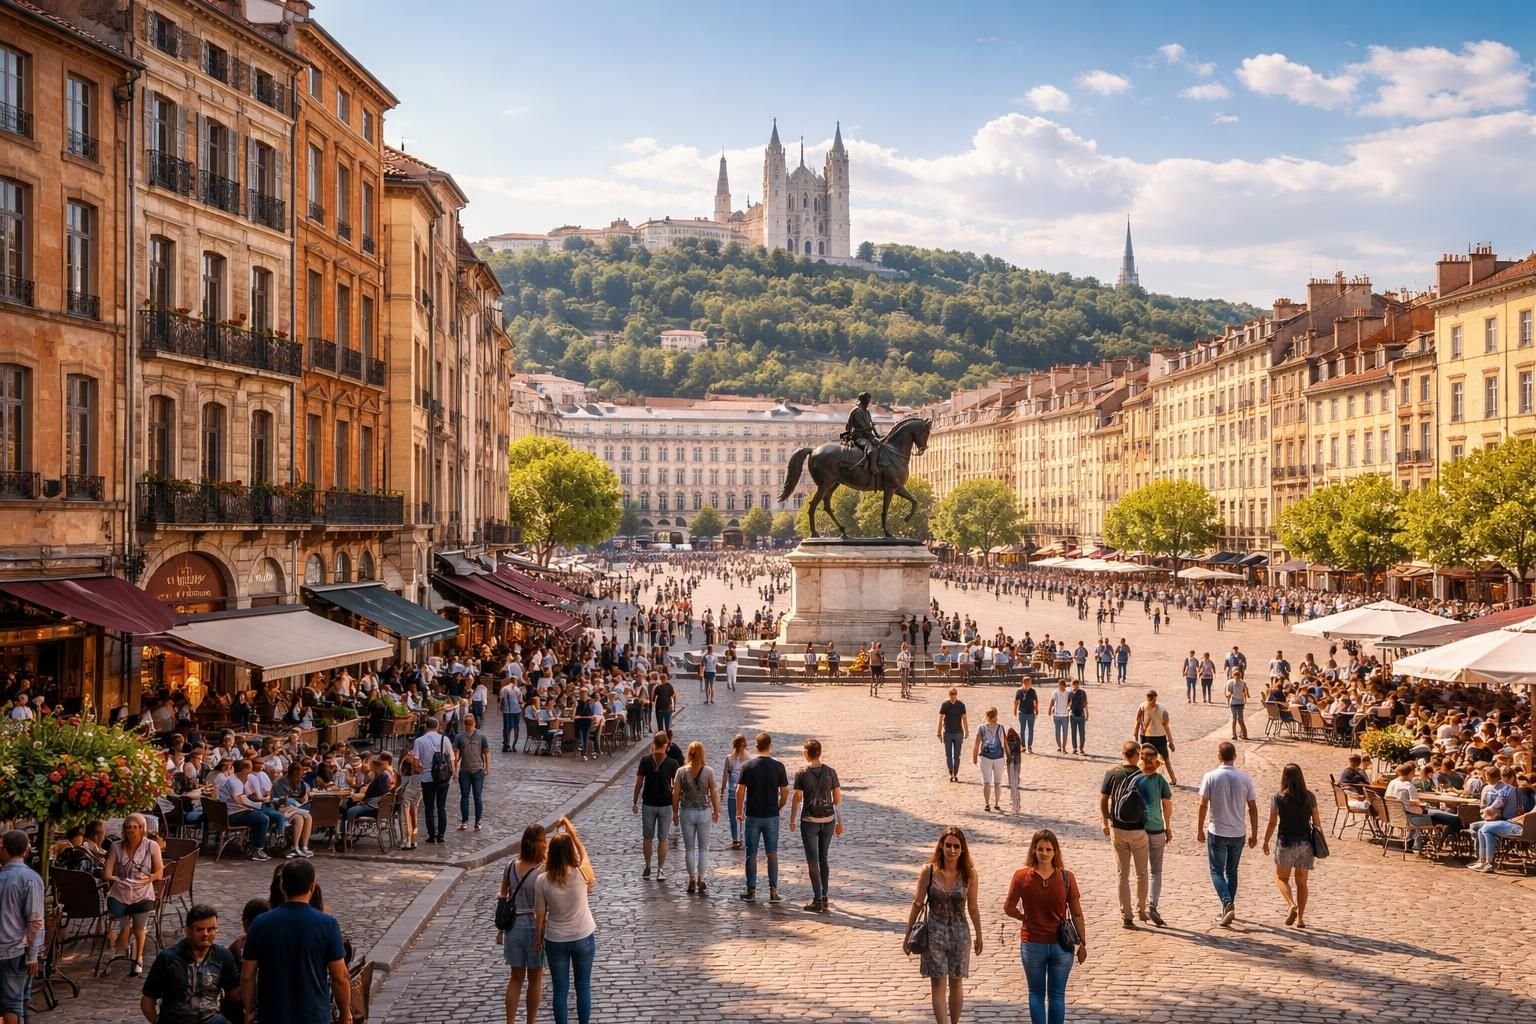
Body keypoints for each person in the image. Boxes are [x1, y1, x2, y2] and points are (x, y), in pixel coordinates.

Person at [240, 860, 350, 1024]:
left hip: (273, 1014)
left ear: (282, 886)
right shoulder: (327, 924)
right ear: (312, 886)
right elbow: (340, 976)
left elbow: (248, 975)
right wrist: (345, 1012)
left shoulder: (261, 923)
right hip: (314, 1014)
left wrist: (248, 1010)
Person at [1003, 829, 1087, 1024]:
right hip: (1060, 946)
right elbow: (1076, 914)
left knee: (1037, 994)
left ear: (1055, 851)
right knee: (1056, 996)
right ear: (1034, 850)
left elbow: (1009, 908)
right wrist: (1082, 943)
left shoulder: (1021, 876)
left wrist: (1023, 917)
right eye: (1040, 849)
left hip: (1034, 944)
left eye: (1048, 849)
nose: (1044, 853)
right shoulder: (1066, 877)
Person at [902, 827, 982, 1024]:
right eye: (948, 845)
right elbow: (917, 903)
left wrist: (979, 934)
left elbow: (972, 907)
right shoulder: (928, 872)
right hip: (934, 932)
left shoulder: (969, 875)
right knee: (937, 982)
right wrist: (907, 934)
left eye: (956, 846)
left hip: (959, 933)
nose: (952, 850)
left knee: (956, 981)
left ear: (963, 849)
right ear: (941, 846)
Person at [534, 824, 597, 1024]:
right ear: (571, 851)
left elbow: (540, 915)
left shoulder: (543, 880)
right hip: (583, 936)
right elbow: (584, 853)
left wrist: (538, 939)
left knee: (560, 990)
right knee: (583, 986)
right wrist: (573, 834)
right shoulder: (582, 873)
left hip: (556, 939)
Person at [140, 903, 239, 1024]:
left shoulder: (223, 956)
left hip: (211, 1019)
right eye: (200, 929)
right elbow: (148, 1000)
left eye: (211, 929)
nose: (206, 934)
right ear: (188, 931)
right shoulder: (167, 959)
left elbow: (234, 994)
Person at [1196, 741, 1259, 926]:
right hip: (1238, 832)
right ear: (1235, 757)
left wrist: (1199, 828)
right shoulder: (1245, 778)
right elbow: (1253, 807)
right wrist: (1254, 833)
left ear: (1219, 756)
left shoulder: (1210, 776)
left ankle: (1227, 902)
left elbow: (1202, 804)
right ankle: (1228, 908)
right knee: (1232, 871)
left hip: (1217, 830)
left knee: (1216, 870)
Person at [1260, 763, 1324, 927]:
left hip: (1285, 842)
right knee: (1302, 883)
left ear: (1284, 777)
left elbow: (1273, 821)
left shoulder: (1278, 797)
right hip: (1305, 843)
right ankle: (1301, 919)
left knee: (1281, 878)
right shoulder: (1310, 797)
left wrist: (1266, 840)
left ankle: (1291, 904)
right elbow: (1317, 822)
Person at [498, 824, 548, 1024]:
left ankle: (510, 1021)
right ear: (541, 844)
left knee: (516, 979)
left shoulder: (510, 866)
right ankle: (531, 1022)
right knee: (535, 980)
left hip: (513, 928)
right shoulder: (542, 870)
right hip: (536, 929)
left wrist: (501, 928)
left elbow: (503, 897)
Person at [105, 812, 165, 976]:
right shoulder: (116, 846)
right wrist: (118, 879)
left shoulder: (151, 846)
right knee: (119, 912)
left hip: (143, 892)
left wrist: (148, 879)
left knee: (140, 927)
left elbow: (159, 872)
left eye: (135, 827)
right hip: (121, 892)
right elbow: (107, 873)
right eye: (128, 827)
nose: (131, 830)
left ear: (141, 828)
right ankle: (123, 935)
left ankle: (138, 958)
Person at [1099, 741, 1149, 930]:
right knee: (1142, 873)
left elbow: (1103, 798)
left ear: (1122, 754)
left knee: (1122, 874)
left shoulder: (1112, 773)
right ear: (1137, 754)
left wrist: (1105, 821)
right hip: (1139, 830)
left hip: (1118, 829)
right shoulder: (1144, 776)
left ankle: (1126, 915)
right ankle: (1141, 909)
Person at [789, 738, 843, 912]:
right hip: (828, 820)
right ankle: (824, 895)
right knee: (824, 858)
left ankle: (817, 898)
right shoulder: (831, 772)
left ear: (806, 753)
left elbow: (797, 798)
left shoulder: (801, 773)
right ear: (820, 752)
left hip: (810, 821)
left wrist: (792, 819)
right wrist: (840, 821)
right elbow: (837, 799)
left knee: (812, 860)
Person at [736, 731, 789, 904]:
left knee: (751, 853)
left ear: (756, 746)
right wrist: (779, 805)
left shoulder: (748, 766)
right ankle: (773, 890)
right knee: (772, 853)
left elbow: (740, 790)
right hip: (771, 815)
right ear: (770, 746)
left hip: (753, 814)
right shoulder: (779, 766)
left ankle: (751, 889)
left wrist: (738, 811)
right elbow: (785, 791)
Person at [0, 830, 43, 1024]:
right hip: (15, 950)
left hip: (9, 948)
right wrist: (33, 955)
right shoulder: (30, 878)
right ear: (26, 851)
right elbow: (35, 921)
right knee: (13, 1004)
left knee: (13, 1003)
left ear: (4, 850)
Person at [672, 741, 720, 895]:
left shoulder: (681, 772)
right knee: (704, 848)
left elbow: (676, 793)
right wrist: (716, 810)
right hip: (704, 811)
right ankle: (701, 878)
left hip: (687, 811)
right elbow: (713, 792)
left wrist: (674, 811)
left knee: (689, 848)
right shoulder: (708, 771)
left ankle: (691, 879)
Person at [1135, 744, 1174, 927]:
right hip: (1157, 828)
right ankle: (1153, 903)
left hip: (1138, 829)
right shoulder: (1160, 781)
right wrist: (1168, 826)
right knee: (1156, 871)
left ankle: (1140, 906)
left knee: (1140, 871)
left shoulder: (1135, 778)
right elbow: (1167, 805)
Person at [632, 732, 680, 880]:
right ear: (666, 745)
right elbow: (676, 788)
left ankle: (647, 866)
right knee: (663, 838)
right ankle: (660, 869)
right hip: (665, 804)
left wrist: (635, 801)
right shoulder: (673, 763)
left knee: (647, 837)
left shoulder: (645, 761)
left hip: (648, 803)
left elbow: (639, 783)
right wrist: (675, 810)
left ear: (654, 743)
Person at [411, 717, 455, 844]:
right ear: (437, 727)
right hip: (442, 777)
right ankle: (441, 834)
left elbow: (415, 761)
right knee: (441, 806)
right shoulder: (444, 739)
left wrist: (421, 770)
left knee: (429, 807)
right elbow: (451, 757)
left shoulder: (419, 741)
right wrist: (453, 772)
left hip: (427, 777)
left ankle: (431, 834)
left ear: (426, 727)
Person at [455, 714, 491, 831]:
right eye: (467, 726)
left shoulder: (481, 736)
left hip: (478, 770)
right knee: (465, 795)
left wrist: (487, 767)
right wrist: (455, 769)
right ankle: (465, 821)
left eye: (470, 726)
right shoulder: (460, 736)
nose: (469, 728)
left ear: (474, 724)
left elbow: (486, 752)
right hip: (465, 770)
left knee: (477, 796)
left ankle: (477, 821)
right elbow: (456, 754)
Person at [1133, 691, 1178, 786]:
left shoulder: (1161, 708)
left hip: (1157, 737)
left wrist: (1170, 741)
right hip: (1148, 737)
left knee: (1165, 759)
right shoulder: (1143, 706)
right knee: (1145, 759)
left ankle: (1173, 778)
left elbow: (1166, 725)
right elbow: (1138, 721)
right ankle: (1144, 777)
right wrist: (1135, 735)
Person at [972, 708, 1008, 813]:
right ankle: (996, 803)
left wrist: (974, 756)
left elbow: (977, 743)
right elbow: (1005, 743)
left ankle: (987, 803)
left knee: (987, 782)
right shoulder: (1000, 728)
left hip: (985, 757)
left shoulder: (982, 728)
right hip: (998, 757)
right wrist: (1009, 756)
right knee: (997, 783)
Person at [842, 390, 884, 472]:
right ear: (863, 401)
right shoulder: (856, 411)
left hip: (867, 436)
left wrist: (878, 435)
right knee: (872, 450)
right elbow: (863, 427)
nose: (869, 402)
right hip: (858, 437)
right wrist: (870, 429)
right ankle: (872, 467)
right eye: (867, 400)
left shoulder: (867, 412)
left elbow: (870, 426)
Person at [721, 734, 750, 850]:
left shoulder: (729, 758)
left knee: (733, 817)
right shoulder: (748, 759)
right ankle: (743, 837)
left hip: (733, 791)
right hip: (746, 792)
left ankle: (735, 838)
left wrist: (722, 789)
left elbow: (725, 775)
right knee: (744, 815)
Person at [938, 689, 968, 783]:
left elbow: (964, 718)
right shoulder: (945, 705)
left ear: (957, 694)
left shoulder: (961, 705)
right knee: (948, 754)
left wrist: (966, 730)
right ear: (949, 694)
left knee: (957, 755)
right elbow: (941, 718)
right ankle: (951, 772)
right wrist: (938, 731)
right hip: (948, 732)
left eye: (954, 694)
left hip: (958, 732)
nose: (953, 695)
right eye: (951, 694)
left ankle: (956, 772)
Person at [396, 751, 423, 850]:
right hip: (417, 787)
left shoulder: (409, 762)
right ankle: (411, 839)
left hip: (411, 789)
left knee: (406, 814)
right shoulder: (416, 761)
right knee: (412, 813)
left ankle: (407, 840)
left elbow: (402, 777)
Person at [1013, 677, 1038, 754]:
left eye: (1030, 683)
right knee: (1022, 730)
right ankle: (1023, 746)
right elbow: (1016, 701)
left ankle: (1029, 746)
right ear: (1024, 683)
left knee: (1031, 730)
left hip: (1031, 713)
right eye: (1028, 683)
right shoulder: (1019, 691)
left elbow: (1035, 701)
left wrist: (1036, 710)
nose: (1030, 685)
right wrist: (1015, 710)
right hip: (1022, 713)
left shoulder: (1033, 691)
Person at [499, 676, 523, 753]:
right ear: (515, 681)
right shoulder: (517, 689)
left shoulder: (504, 689)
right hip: (516, 711)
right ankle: (513, 745)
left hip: (507, 711)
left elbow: (501, 699)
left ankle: (506, 744)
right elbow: (520, 701)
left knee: (506, 728)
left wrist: (501, 709)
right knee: (515, 728)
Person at [1225, 669, 1250, 740]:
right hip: (1235, 702)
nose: (1237, 677)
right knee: (1236, 718)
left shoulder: (1241, 683)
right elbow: (1230, 692)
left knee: (1238, 719)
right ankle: (1237, 734)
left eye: (1237, 676)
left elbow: (1244, 691)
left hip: (1238, 702)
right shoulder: (1232, 683)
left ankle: (1240, 734)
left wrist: (1245, 698)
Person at [1004, 727, 1024, 814]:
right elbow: (1019, 751)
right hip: (1017, 761)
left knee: (1011, 782)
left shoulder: (1007, 740)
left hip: (1010, 761)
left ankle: (1014, 801)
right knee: (1015, 781)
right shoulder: (1018, 740)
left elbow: (1006, 751)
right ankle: (1016, 803)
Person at [1048, 680, 1071, 754]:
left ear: (1064, 686)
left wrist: (1069, 706)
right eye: (1059, 686)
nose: (1060, 687)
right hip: (1056, 715)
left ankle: (1064, 748)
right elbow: (1052, 701)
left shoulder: (1068, 693)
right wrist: (1049, 709)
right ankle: (1059, 746)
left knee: (1065, 732)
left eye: (1061, 686)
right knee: (1057, 732)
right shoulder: (1055, 692)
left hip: (1065, 715)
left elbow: (1070, 701)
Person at [1067, 679, 1088, 756]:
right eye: (1073, 685)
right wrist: (1068, 708)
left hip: (1081, 715)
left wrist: (1087, 713)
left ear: (1078, 684)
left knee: (1082, 733)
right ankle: (1074, 748)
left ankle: (1081, 748)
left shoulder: (1082, 693)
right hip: (1073, 715)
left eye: (1076, 684)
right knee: (1073, 732)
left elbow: (1085, 703)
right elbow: (1068, 703)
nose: (1075, 686)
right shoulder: (1070, 693)